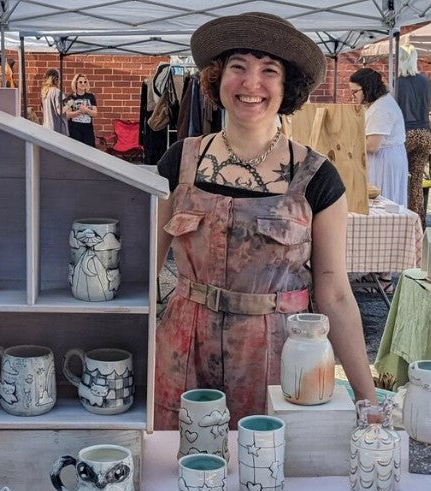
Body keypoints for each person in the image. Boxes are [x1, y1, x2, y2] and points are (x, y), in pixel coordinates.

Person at [155, 12, 377, 430]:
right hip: (181, 354)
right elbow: (142, 270)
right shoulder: (178, 163)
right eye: (238, 67)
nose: (251, 84)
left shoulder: (317, 177)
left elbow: (336, 294)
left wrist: (367, 401)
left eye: (268, 71)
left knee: (267, 474)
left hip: (278, 362)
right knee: (180, 475)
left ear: (286, 86)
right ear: (218, 78)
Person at [349, 68, 408, 210]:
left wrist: (348, 141)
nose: (353, 96)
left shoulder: (381, 108)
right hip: (384, 158)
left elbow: (372, 146)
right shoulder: (379, 104)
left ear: (367, 88)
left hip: (385, 160)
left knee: (385, 202)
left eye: (355, 91)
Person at [396, 44, 431, 229]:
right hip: (425, 132)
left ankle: (400, 217)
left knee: (399, 176)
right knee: (416, 180)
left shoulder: (397, 82)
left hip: (406, 133)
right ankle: (419, 223)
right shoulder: (425, 81)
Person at [63, 74, 98, 147]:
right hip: (75, 130)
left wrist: (86, 110)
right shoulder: (71, 97)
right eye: (80, 82)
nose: (83, 84)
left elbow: (95, 113)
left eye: (85, 82)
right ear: (75, 83)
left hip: (88, 130)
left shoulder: (91, 97)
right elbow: (67, 115)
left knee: (89, 152)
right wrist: (79, 112)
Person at [40, 68, 68, 136]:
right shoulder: (57, 92)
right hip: (58, 129)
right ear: (56, 79)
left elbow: (42, 110)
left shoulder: (44, 92)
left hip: (47, 128)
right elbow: (60, 111)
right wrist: (69, 104)